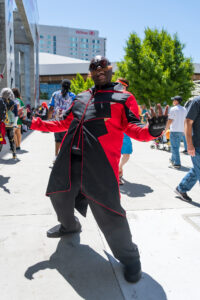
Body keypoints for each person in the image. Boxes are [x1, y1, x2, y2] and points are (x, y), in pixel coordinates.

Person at [22, 56, 168, 283]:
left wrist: (153, 131)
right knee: (58, 195)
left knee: (110, 216)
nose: (99, 70)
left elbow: (134, 127)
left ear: (110, 70)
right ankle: (69, 226)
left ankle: (131, 259)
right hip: (70, 161)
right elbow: (63, 122)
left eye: (103, 66)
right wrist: (33, 122)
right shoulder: (81, 97)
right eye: (94, 67)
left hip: (100, 168)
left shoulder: (123, 98)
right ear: (90, 72)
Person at [175, 96, 200, 202]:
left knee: (196, 169)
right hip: (198, 145)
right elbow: (188, 122)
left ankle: (181, 188)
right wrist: (189, 144)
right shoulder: (197, 102)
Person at [48, 79, 75, 162]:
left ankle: (56, 156)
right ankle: (65, 157)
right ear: (70, 86)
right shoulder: (73, 96)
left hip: (57, 121)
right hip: (68, 122)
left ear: (61, 86)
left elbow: (51, 108)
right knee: (67, 140)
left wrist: (49, 119)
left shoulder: (55, 94)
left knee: (57, 140)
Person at [116, 78, 133, 185]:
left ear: (125, 86)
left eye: (120, 84)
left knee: (127, 153)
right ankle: (117, 175)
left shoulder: (129, 97)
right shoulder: (110, 95)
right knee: (114, 153)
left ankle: (119, 168)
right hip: (112, 128)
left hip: (125, 129)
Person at [165, 95, 187, 169]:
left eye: (174, 100)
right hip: (181, 130)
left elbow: (170, 120)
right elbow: (185, 121)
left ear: (176, 101)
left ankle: (177, 163)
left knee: (174, 147)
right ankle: (172, 159)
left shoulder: (173, 109)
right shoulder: (184, 109)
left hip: (174, 130)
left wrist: (165, 129)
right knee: (176, 147)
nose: (173, 101)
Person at [0, 88, 17, 159]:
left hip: (2, 123)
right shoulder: (13, 103)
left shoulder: (1, 101)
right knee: (11, 138)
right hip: (10, 123)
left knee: (1, 138)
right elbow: (16, 114)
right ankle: (14, 154)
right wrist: (15, 124)